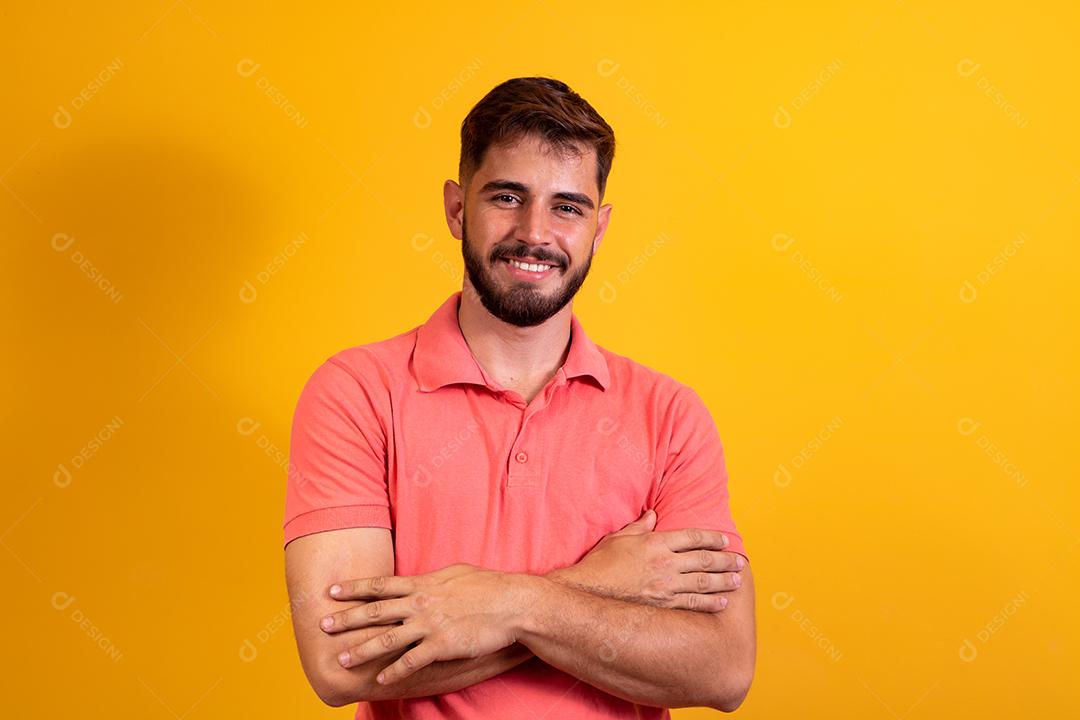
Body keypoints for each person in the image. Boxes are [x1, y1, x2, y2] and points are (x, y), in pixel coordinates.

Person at [283, 76, 755, 719]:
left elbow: (722, 667)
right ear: (455, 208)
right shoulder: (357, 393)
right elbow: (346, 662)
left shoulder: (670, 415)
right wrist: (599, 586)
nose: (535, 233)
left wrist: (512, 605)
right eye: (508, 196)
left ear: (600, 227)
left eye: (567, 207)